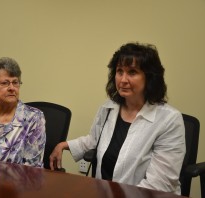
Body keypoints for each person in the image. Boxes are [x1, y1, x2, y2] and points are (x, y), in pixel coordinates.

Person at [50, 43, 186, 194]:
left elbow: (160, 184)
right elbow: (94, 139)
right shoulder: (109, 108)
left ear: (150, 77)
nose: (123, 80)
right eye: (119, 71)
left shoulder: (169, 120)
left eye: (132, 72)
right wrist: (64, 145)